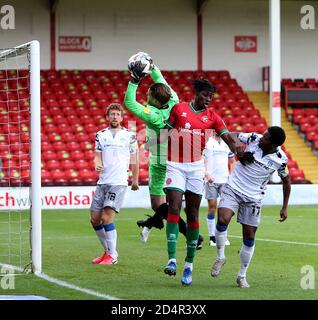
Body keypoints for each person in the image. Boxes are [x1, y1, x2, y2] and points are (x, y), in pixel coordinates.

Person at [150, 79, 245, 286]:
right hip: (175, 165)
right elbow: (166, 131)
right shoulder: (179, 108)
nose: (208, 99)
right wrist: (150, 142)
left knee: (192, 214)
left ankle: (189, 265)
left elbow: (227, 136)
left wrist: (237, 148)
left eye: (211, 97)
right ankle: (172, 259)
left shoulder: (213, 117)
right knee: (174, 207)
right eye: (205, 95)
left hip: (195, 168)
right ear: (197, 93)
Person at [124, 52, 204, 249]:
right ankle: (183, 232)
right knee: (172, 205)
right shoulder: (175, 100)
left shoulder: (155, 115)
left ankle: (184, 233)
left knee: (159, 205)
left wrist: (135, 80)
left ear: (153, 98)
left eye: (149, 95)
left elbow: (129, 103)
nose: (146, 97)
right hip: (177, 159)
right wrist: (152, 67)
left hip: (160, 161)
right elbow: (161, 80)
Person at [211, 126, 291, 288]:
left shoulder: (280, 159)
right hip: (233, 188)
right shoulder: (253, 138)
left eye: (266, 138)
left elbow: (286, 181)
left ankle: (241, 275)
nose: (262, 138)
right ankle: (220, 257)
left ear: (274, 145)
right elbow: (231, 134)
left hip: (253, 197)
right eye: (264, 134)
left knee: (249, 236)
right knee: (222, 219)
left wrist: (285, 207)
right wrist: (236, 147)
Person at [90, 103, 139, 265]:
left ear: (122, 117)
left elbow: (135, 159)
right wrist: (97, 163)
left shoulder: (129, 136)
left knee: (107, 218)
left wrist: (135, 180)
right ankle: (107, 252)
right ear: (107, 117)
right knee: (95, 219)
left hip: (118, 182)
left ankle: (113, 256)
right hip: (102, 181)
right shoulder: (100, 135)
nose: (115, 117)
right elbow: (97, 155)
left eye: (117, 114)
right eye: (112, 114)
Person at [203, 134, 235, 246]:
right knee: (212, 207)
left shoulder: (227, 143)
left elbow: (232, 160)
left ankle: (223, 235)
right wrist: (206, 174)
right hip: (211, 180)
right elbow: (202, 159)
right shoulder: (208, 142)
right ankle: (212, 237)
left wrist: (232, 175)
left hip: (224, 179)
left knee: (225, 209)